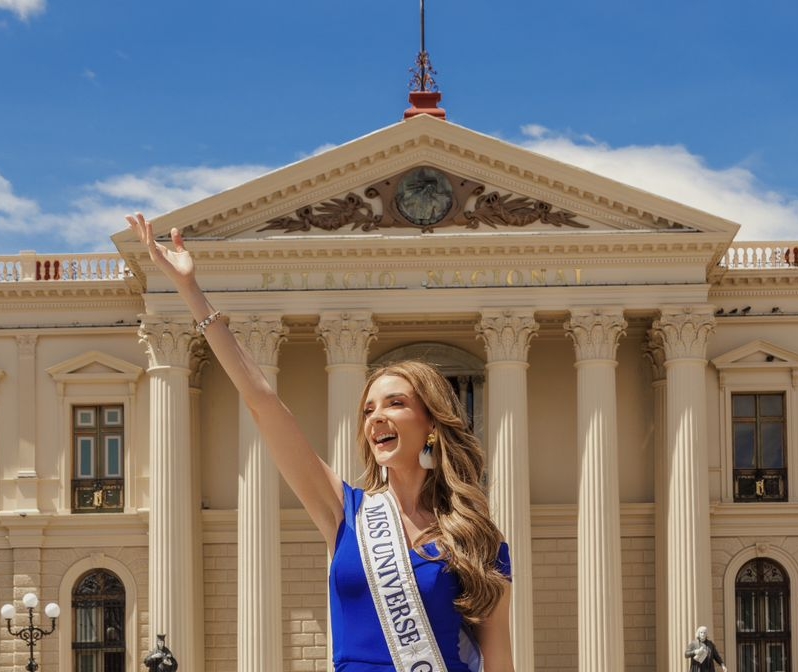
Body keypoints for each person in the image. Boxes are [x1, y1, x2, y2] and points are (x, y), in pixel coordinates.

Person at [127, 213, 515, 672]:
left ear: (431, 423)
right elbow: (263, 405)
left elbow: (500, 661)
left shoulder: (476, 537)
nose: (376, 419)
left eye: (394, 404)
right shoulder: (346, 512)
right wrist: (192, 292)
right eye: (368, 410)